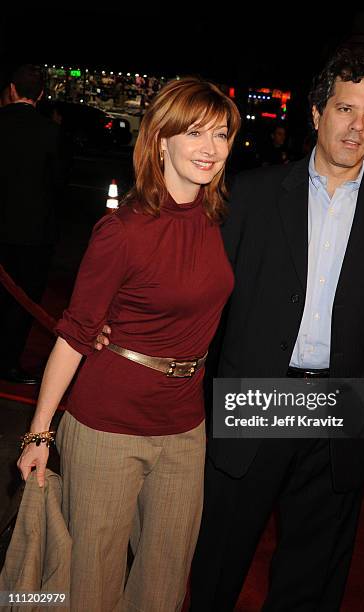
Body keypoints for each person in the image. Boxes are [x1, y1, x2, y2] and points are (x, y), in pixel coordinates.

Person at [187, 50, 364, 611]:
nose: (356, 126)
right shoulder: (247, 195)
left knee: (312, 574)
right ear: (317, 113)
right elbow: (208, 303)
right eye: (346, 109)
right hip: (253, 396)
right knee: (218, 560)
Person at [16, 77, 241, 612]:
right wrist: (39, 433)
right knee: (90, 578)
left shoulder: (220, 221)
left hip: (186, 427)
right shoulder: (122, 230)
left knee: (165, 580)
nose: (211, 148)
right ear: (162, 139)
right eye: (196, 134)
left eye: (223, 134)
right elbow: (73, 335)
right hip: (108, 425)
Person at [0, 64, 63, 384]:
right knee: (24, 302)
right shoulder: (50, 133)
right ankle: (9, 362)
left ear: (12, 90)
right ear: (40, 94)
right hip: (34, 233)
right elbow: (59, 185)